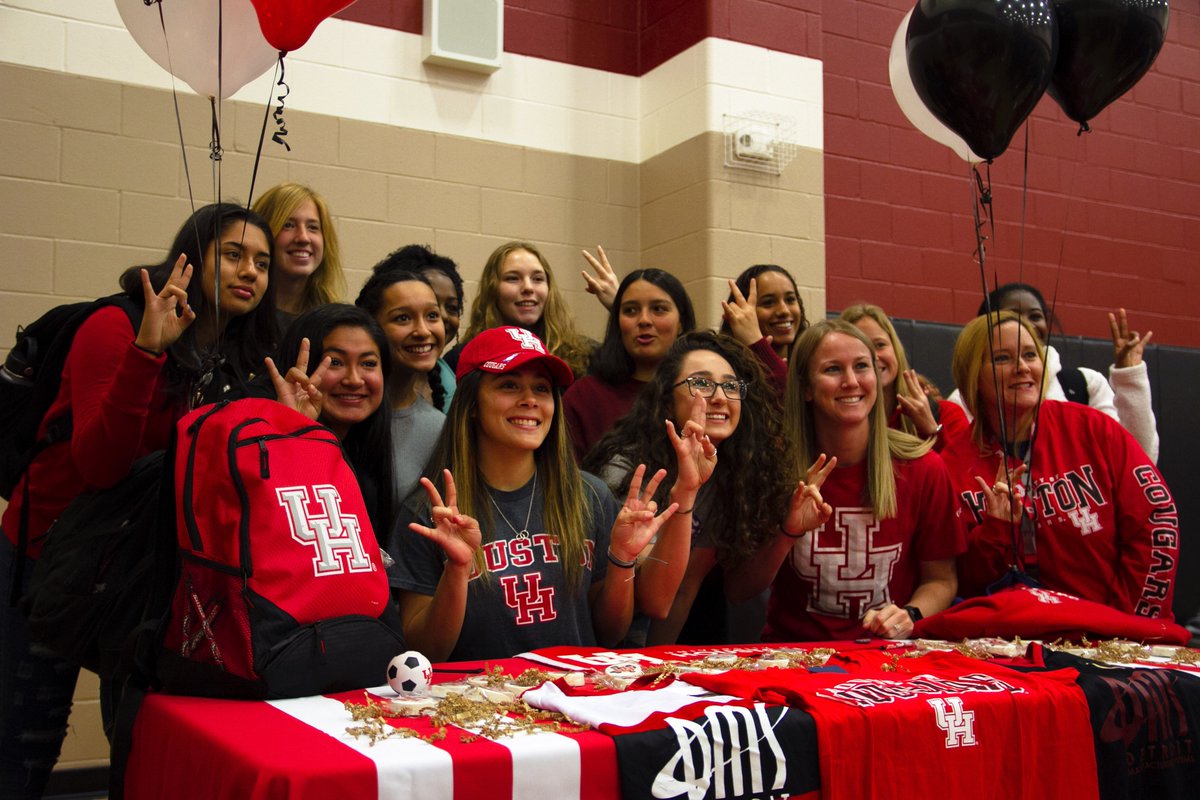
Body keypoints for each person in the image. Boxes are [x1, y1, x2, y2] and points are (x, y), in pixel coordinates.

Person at [0, 202, 278, 797]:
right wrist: (147, 354)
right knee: (25, 739)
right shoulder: (117, 325)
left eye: (262, 262)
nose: (250, 271)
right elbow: (100, 466)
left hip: (140, 572)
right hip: (47, 557)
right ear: (192, 256)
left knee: (134, 736)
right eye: (233, 255)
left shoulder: (240, 356)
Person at [386, 326, 676, 662]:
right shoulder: (430, 512)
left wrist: (621, 561)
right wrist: (457, 570)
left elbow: (609, 634)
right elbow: (425, 654)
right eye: (509, 385)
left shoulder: (590, 496)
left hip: (573, 699)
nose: (530, 400)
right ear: (473, 403)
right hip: (477, 707)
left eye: (541, 388)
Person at [725, 320, 964, 642]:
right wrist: (787, 532)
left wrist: (911, 614)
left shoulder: (923, 467)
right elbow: (739, 589)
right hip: (794, 656)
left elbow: (942, 580)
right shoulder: (774, 468)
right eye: (833, 369)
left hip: (888, 659)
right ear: (806, 388)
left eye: (862, 367)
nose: (851, 381)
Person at [939, 311, 1178, 620]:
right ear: (972, 375)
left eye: (1029, 355)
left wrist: (1126, 621)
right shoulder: (951, 467)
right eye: (1002, 359)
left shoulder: (1093, 429)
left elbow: (1156, 517)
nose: (1022, 368)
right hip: (1009, 643)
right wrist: (995, 531)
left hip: (1114, 633)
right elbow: (960, 582)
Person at [584, 331, 793, 646]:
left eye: (731, 386)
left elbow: (684, 589)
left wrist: (660, 670)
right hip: (596, 647)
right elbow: (651, 600)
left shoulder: (729, 475)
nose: (720, 397)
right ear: (668, 400)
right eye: (702, 384)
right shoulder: (629, 473)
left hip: (648, 652)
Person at [949, 282, 1159, 462]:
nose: (1026, 324)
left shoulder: (1083, 384)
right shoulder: (961, 401)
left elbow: (1139, 461)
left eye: (1035, 315)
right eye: (1012, 315)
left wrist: (1129, 376)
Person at [266, 304, 395, 534]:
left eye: (368, 363)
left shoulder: (367, 462)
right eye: (335, 362)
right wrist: (291, 430)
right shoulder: (261, 444)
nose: (354, 379)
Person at [563, 269, 696, 463]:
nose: (643, 320)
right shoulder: (585, 396)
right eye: (630, 310)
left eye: (658, 309)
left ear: (681, 323)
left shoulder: (701, 390)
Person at [354, 269, 446, 502]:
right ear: (371, 327)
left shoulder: (441, 427)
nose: (423, 331)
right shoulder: (346, 412)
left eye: (432, 316)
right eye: (403, 318)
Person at [449, 241, 595, 379]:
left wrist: (614, 304)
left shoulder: (583, 354)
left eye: (537, 279)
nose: (528, 288)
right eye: (513, 278)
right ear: (492, 289)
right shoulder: (463, 358)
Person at [370, 244, 463, 412]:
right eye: (404, 317)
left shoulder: (450, 382)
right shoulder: (359, 388)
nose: (443, 317)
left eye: (431, 314)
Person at [840, 303, 941, 439]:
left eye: (880, 345)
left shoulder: (946, 413)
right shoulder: (836, 427)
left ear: (895, 348)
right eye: (861, 348)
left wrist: (931, 430)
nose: (874, 356)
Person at [252, 182, 346, 324]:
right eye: (288, 225)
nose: (303, 238)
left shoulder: (334, 323)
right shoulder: (237, 315)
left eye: (312, 227)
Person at [719, 265, 807, 394]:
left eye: (790, 300)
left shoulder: (810, 364)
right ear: (739, 312)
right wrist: (756, 342)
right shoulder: (728, 372)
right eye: (768, 302)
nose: (784, 310)